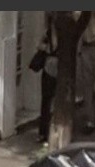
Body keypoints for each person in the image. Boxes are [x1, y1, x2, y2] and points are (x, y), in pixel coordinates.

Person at [36, 13, 58, 145]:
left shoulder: (65, 32)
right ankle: (43, 132)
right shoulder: (48, 32)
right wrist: (47, 48)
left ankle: (53, 131)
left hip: (60, 68)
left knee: (56, 101)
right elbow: (39, 45)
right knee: (46, 101)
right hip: (49, 67)